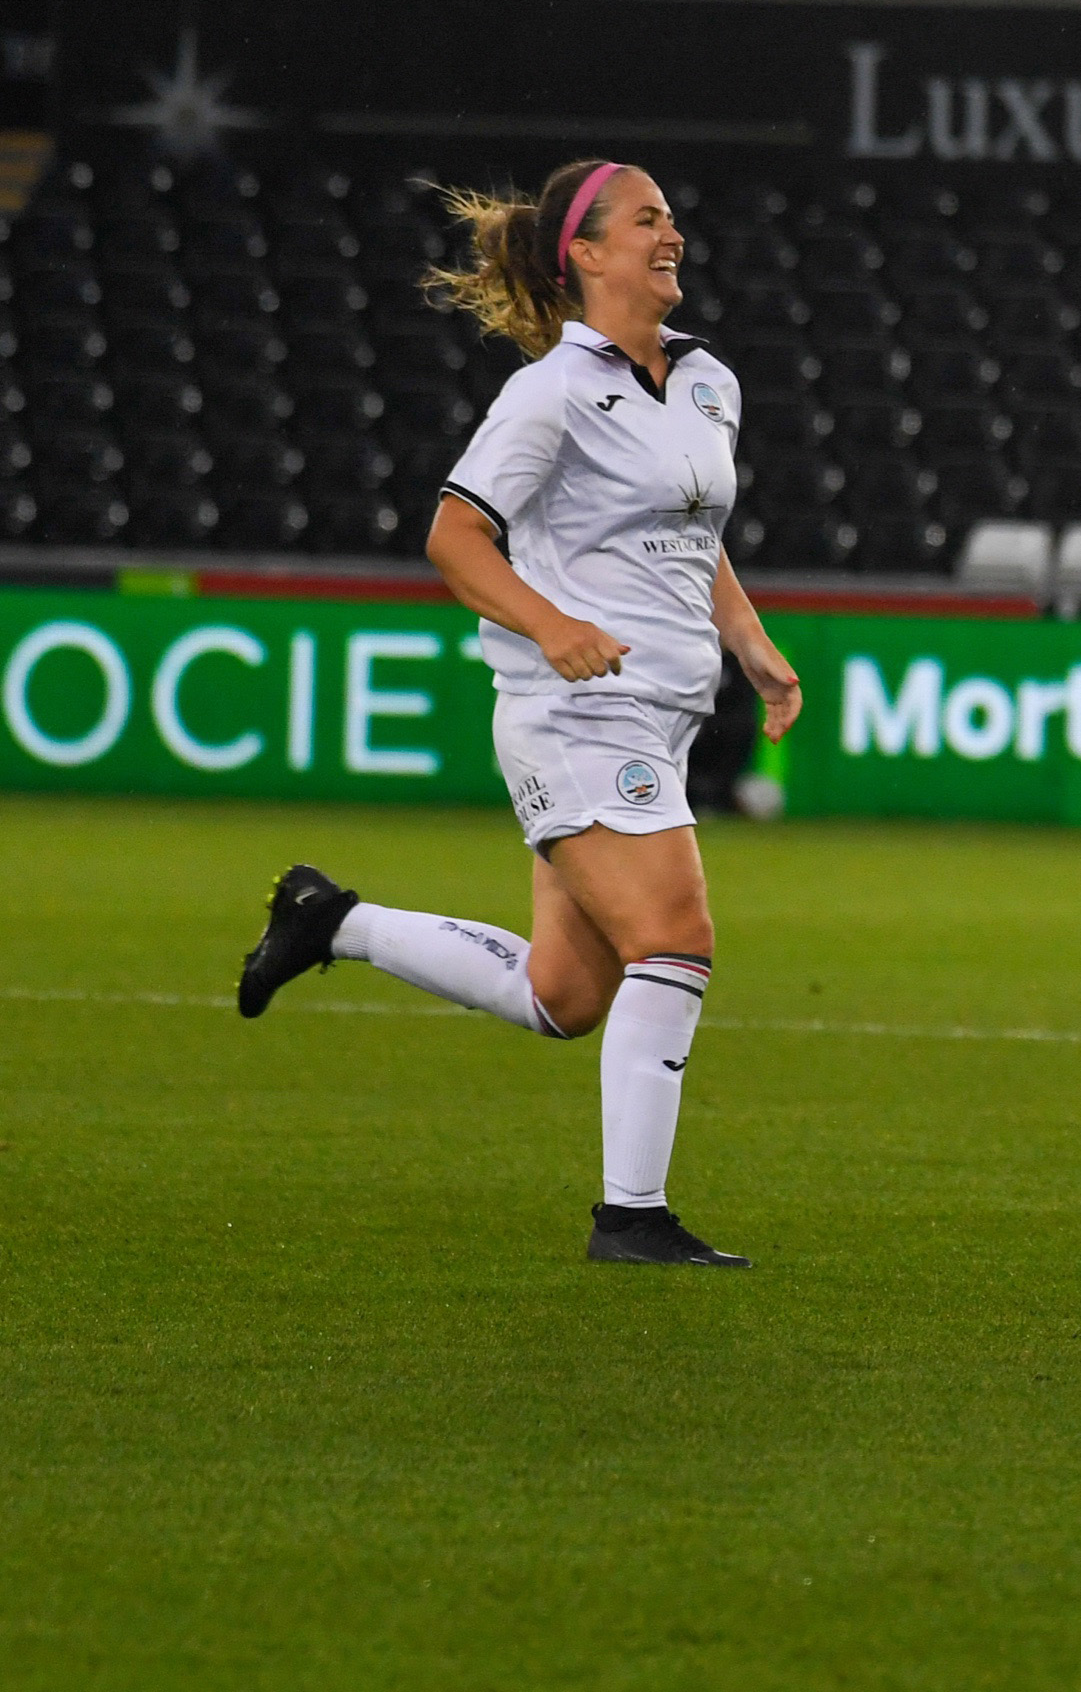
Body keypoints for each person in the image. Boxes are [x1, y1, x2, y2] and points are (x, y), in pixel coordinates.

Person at [233, 161, 802, 1268]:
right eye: (647, 220)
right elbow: (453, 534)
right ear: (585, 254)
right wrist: (549, 627)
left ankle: (330, 921)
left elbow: (692, 532)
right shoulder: (548, 391)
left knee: (565, 996)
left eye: (674, 216)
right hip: (579, 712)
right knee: (675, 940)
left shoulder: (708, 382)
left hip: (663, 713)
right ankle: (629, 1219)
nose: (671, 233)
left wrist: (751, 642)